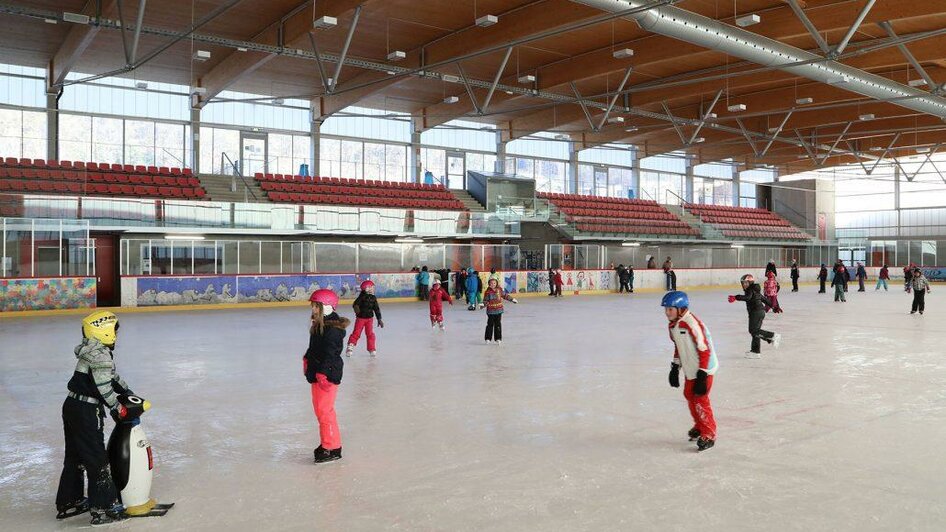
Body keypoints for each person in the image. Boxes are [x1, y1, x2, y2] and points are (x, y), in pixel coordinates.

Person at [56, 311, 137, 526]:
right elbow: (103, 388)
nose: (116, 336)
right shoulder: (100, 355)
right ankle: (104, 508)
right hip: (86, 411)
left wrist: (128, 392)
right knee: (96, 459)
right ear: (105, 331)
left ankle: (69, 501)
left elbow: (111, 377)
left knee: (75, 456)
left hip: (72, 405)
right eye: (114, 331)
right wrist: (118, 407)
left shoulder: (93, 351)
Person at [663, 291, 718, 452]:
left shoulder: (691, 323)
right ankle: (700, 426)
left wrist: (703, 373)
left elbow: (704, 348)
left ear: (681, 309)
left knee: (700, 399)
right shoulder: (673, 325)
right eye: (666, 309)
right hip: (690, 368)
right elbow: (678, 347)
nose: (667, 313)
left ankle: (709, 433)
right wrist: (675, 366)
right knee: (689, 394)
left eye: (670, 309)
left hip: (704, 368)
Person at [305, 290, 350, 463]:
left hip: (327, 374)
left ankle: (332, 447)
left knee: (325, 412)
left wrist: (324, 373)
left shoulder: (333, 330)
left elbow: (331, 354)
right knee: (320, 410)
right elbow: (315, 348)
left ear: (326, 307)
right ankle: (328, 442)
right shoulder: (319, 325)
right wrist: (307, 358)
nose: (313, 309)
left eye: (316, 306)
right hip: (317, 372)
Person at [728, 274, 780, 359]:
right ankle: (755, 352)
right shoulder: (755, 290)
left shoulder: (750, 290)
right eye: (743, 283)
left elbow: (747, 297)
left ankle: (772, 336)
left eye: (746, 283)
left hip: (756, 312)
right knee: (755, 332)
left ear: (750, 282)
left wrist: (736, 297)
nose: (744, 285)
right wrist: (774, 306)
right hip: (760, 312)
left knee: (754, 331)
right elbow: (764, 299)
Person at [346, 280, 383, 357]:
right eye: (371, 287)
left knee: (370, 334)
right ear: (366, 288)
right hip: (361, 319)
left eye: (373, 287)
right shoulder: (361, 297)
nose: (373, 289)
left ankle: (371, 348)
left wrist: (379, 319)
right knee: (356, 333)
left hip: (369, 319)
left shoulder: (373, 298)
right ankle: (350, 346)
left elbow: (376, 309)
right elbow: (355, 304)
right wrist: (357, 310)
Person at [483, 277, 517, 344]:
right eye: (491, 283)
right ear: (489, 284)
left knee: (498, 324)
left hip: (499, 310)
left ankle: (498, 338)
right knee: (490, 324)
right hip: (490, 311)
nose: (493, 284)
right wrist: (482, 304)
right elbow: (485, 301)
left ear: (496, 283)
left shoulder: (499, 290)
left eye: (494, 283)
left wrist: (512, 299)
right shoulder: (487, 292)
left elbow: (505, 296)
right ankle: (488, 338)